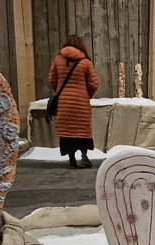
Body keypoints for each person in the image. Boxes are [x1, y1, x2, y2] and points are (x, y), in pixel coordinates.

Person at [48, 34, 98, 168]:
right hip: (81, 102)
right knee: (82, 130)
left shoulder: (58, 59)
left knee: (67, 131)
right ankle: (84, 156)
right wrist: (87, 95)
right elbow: (93, 84)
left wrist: (59, 91)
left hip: (64, 102)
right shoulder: (85, 62)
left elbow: (52, 79)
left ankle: (71, 158)